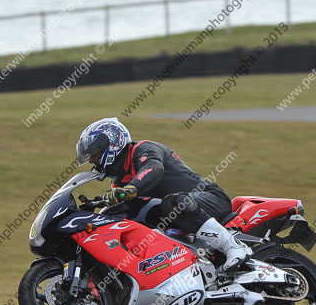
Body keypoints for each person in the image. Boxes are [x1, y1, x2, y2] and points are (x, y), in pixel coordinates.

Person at [75, 117, 251, 272]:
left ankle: (234, 247)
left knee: (173, 202)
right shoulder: (120, 181)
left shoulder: (143, 149)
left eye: (95, 154)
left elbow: (154, 169)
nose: (92, 160)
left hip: (211, 198)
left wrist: (130, 190)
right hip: (182, 216)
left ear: (112, 143)